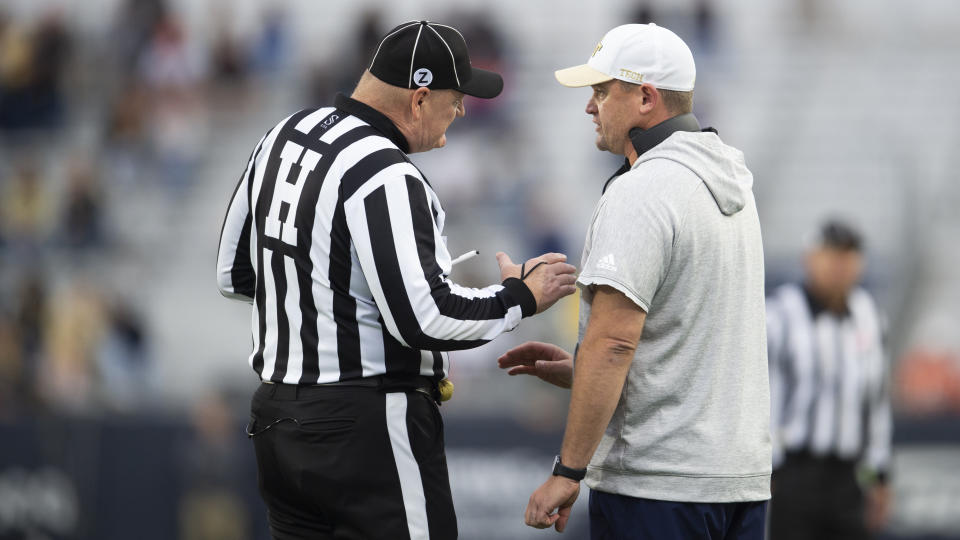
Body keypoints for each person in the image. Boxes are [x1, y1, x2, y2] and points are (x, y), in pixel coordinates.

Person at [215, 20, 577, 540]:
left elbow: (234, 273)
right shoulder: (386, 172)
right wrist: (521, 296)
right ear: (419, 98)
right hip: (367, 426)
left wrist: (326, 302)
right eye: (455, 102)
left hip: (276, 421)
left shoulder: (281, 135)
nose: (456, 119)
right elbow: (426, 319)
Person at [497, 23, 770, 538]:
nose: (589, 106)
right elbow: (687, 344)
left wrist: (567, 470)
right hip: (739, 482)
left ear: (645, 98)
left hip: (659, 485)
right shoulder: (731, 180)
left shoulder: (645, 187)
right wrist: (583, 372)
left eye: (602, 91)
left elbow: (614, 343)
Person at [765, 220, 893, 540]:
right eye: (832, 255)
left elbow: (876, 400)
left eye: (848, 256)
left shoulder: (870, 315)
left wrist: (879, 473)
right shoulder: (779, 313)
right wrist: (765, 467)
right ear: (810, 258)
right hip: (793, 473)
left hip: (848, 477)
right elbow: (761, 394)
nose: (840, 266)